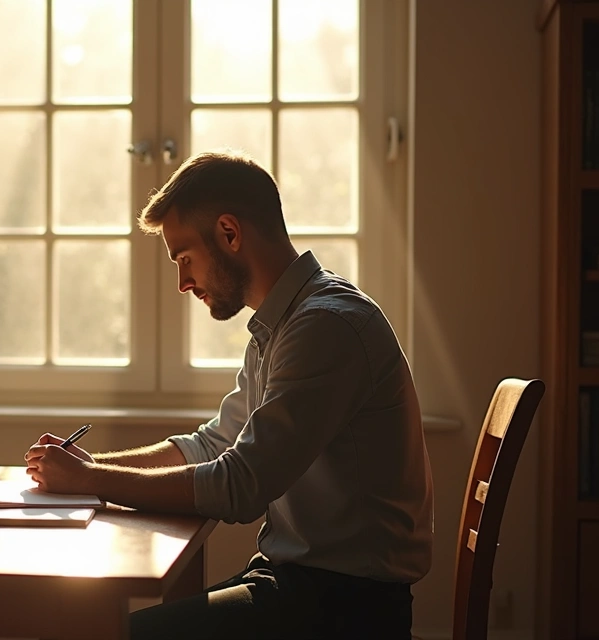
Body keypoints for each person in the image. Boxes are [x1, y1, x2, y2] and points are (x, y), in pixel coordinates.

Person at [24, 151, 434, 639]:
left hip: (344, 609)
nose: (182, 283)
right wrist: (90, 469)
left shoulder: (325, 327)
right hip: (298, 585)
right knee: (103, 625)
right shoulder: (282, 326)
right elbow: (214, 445)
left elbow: (240, 486)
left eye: (184, 258)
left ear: (229, 233)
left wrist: (91, 479)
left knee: (102, 632)